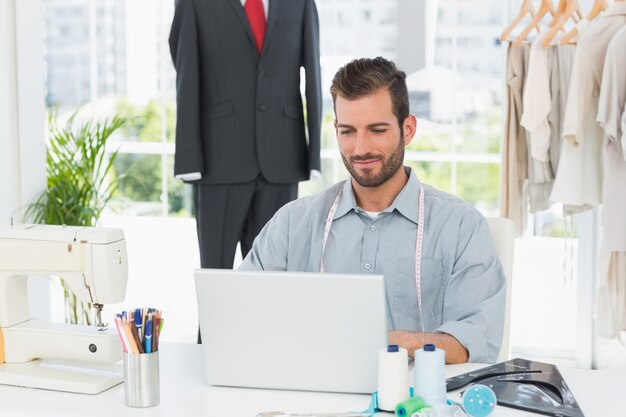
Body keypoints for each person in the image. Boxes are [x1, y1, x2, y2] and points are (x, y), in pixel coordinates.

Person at [239, 57, 505, 364]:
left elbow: (474, 339)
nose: (360, 148)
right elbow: (243, 312)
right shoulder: (292, 223)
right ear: (335, 129)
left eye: (377, 130)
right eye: (348, 131)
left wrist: (389, 342)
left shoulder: (461, 227)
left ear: (408, 129)